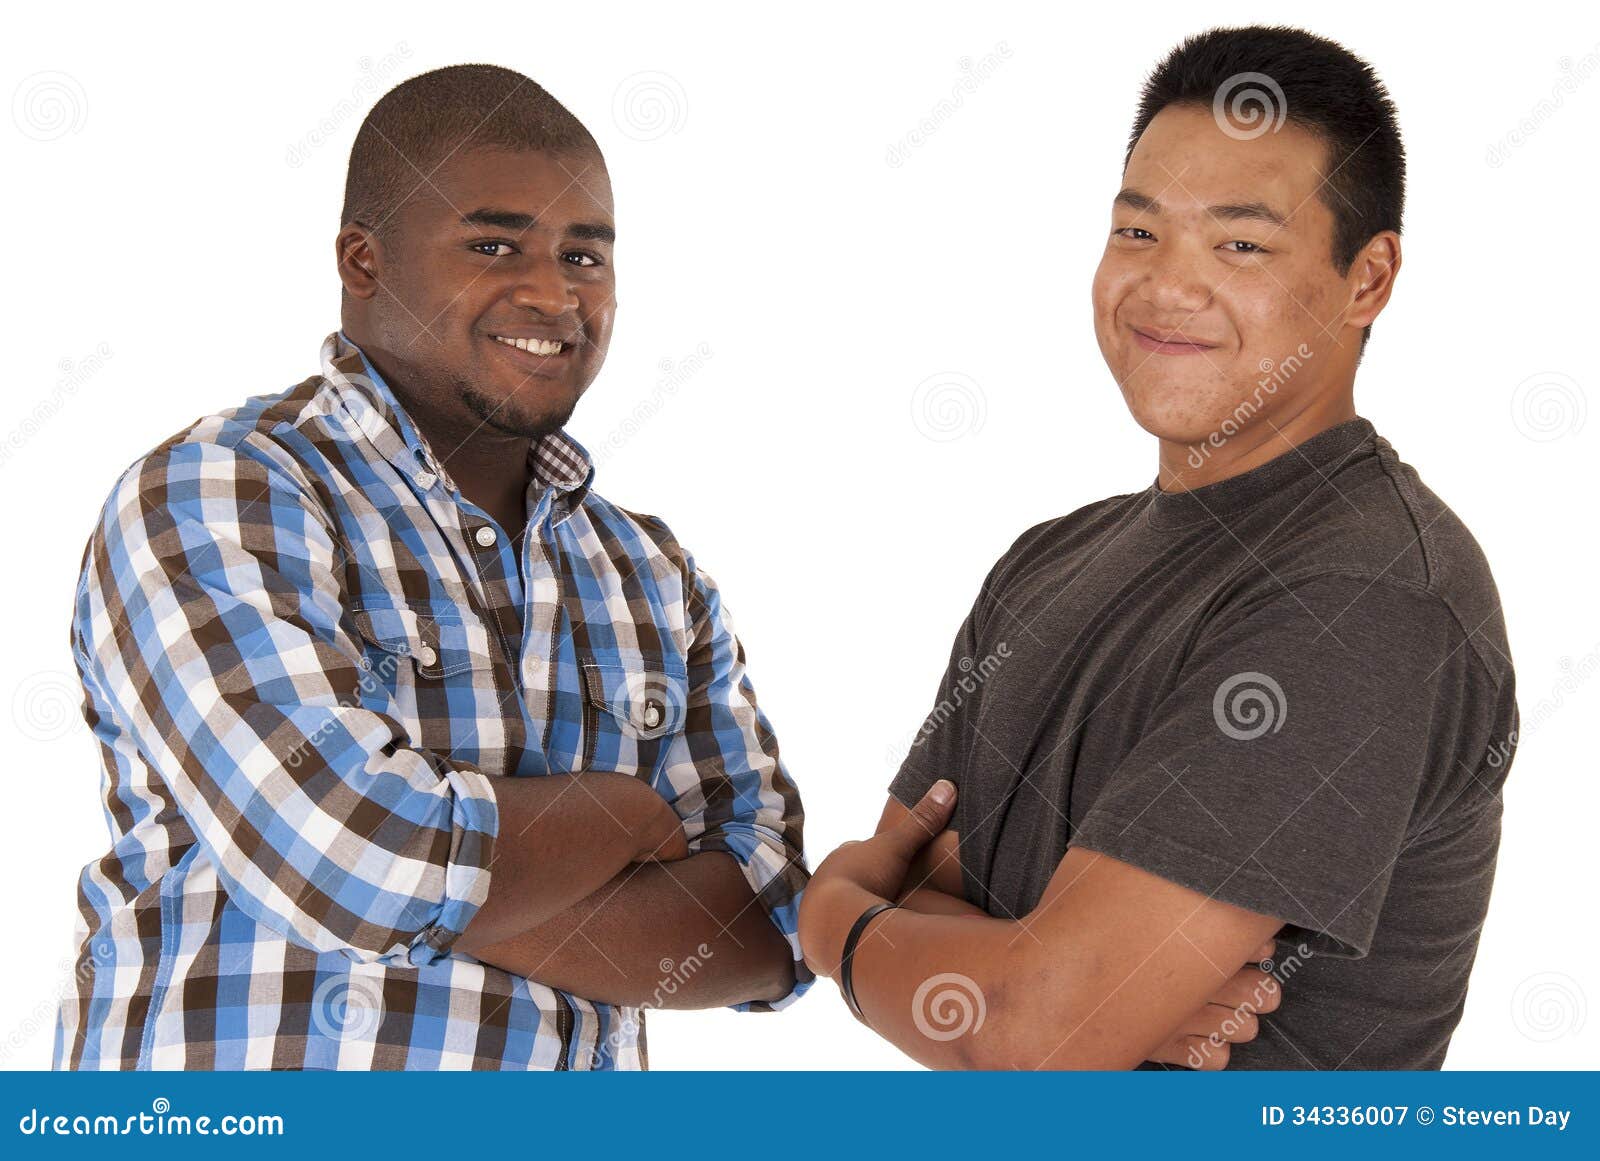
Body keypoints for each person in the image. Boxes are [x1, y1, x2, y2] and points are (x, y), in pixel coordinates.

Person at [55, 64, 808, 1071]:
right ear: (363, 262)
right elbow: (350, 861)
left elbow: (771, 926)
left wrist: (424, 865)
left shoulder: (655, 576)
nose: (552, 291)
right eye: (493, 245)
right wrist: (624, 818)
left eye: (584, 254)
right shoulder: (219, 494)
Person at [799, 25, 1517, 1070]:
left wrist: (835, 926)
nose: (1165, 288)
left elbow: (1021, 1027)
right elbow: (951, 944)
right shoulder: (1045, 564)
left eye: (1239, 245)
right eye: (1138, 233)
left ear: (1367, 280)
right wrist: (989, 967)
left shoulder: (1363, 594)